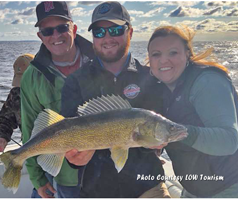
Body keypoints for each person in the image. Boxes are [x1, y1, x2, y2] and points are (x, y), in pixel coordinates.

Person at [61, 2, 170, 198]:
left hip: (147, 187)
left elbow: (162, 130)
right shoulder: (75, 82)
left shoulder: (152, 78)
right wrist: (73, 158)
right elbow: (68, 135)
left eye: (115, 30)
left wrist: (157, 144)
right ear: (93, 38)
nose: (107, 38)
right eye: (99, 32)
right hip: (95, 191)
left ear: (130, 32)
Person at [147, 25, 238, 198]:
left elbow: (229, 141)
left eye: (173, 52)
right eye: (156, 54)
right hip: (197, 185)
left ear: (187, 54)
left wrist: (174, 133)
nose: (164, 60)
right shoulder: (160, 88)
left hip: (234, 183)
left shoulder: (207, 81)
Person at [21, 1, 95, 198]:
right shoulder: (32, 76)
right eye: (47, 31)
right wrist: (38, 180)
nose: (56, 36)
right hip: (63, 178)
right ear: (40, 36)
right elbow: (29, 129)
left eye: (62, 28)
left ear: (74, 28)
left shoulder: (99, 61)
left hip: (103, 172)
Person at [0, 53, 34, 152]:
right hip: (29, 147)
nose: (23, 87)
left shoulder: (52, 91)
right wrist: (1, 137)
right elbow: (6, 119)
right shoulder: (16, 93)